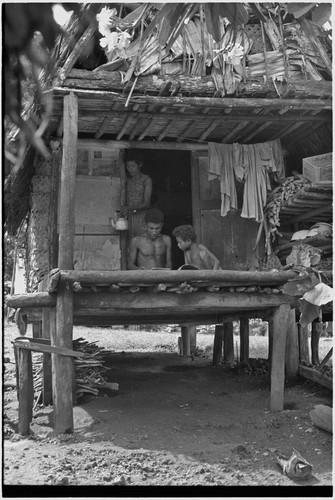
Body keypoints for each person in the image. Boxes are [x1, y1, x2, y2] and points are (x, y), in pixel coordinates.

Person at [119, 152, 152, 239]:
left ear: (140, 165)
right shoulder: (126, 180)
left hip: (142, 217)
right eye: (128, 166)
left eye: (133, 166)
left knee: (141, 242)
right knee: (130, 244)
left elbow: (147, 203)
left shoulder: (146, 179)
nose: (130, 169)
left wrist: (130, 208)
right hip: (128, 217)